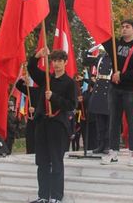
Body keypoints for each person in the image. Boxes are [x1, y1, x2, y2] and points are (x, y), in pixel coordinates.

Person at [27, 48, 78, 203]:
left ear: (65, 62)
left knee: (56, 161)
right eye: (54, 61)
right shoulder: (46, 79)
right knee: (42, 162)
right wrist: (37, 56)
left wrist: (54, 97)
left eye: (59, 61)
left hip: (58, 125)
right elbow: (31, 69)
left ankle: (56, 196)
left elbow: (71, 105)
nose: (56, 64)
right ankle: (43, 195)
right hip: (42, 123)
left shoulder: (70, 83)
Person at [100, 20, 133, 167]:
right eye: (122, 27)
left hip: (131, 90)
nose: (124, 29)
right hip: (115, 88)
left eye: (127, 27)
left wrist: (123, 76)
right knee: (114, 121)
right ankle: (113, 152)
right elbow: (101, 32)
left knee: (132, 121)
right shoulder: (114, 45)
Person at [88, 51, 111, 155]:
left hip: (109, 89)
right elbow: (86, 60)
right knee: (99, 121)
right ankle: (101, 144)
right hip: (99, 89)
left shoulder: (115, 58)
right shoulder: (100, 57)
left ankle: (107, 144)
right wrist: (90, 51)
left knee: (109, 121)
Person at [15, 77, 40, 154]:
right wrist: (22, 80)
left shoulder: (47, 92)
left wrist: (36, 110)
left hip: (41, 120)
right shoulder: (32, 90)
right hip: (31, 119)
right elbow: (18, 86)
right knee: (30, 139)